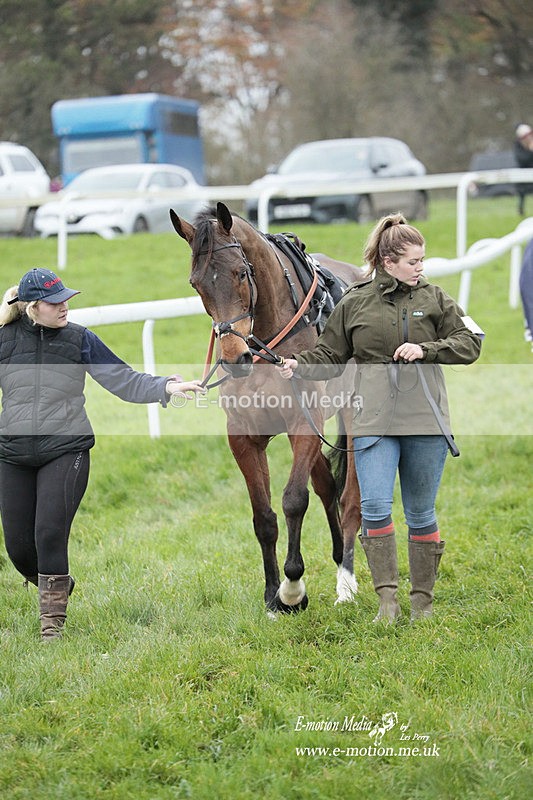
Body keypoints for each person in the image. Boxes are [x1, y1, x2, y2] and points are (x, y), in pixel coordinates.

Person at [277, 214, 482, 622]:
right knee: (374, 508)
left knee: (422, 512)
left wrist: (428, 349)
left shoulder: (435, 299)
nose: (420, 267)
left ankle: (421, 603)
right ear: (388, 262)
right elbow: (329, 357)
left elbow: (470, 343)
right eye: (413, 261)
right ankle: (387, 603)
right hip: (371, 420)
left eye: (422, 260)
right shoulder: (354, 302)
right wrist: (295, 365)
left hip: (425, 420)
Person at [0, 268, 205, 642]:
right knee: (17, 548)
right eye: (54, 301)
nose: (65, 306)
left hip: (65, 448)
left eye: (66, 298)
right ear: (32, 307)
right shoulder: (4, 340)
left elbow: (123, 379)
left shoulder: (79, 339)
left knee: (49, 534)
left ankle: (52, 628)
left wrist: (168, 386)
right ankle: (58, 582)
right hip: (12, 454)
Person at [513, 123, 533, 216]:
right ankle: (520, 211)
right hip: (524, 174)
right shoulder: (518, 146)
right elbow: (522, 160)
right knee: (521, 191)